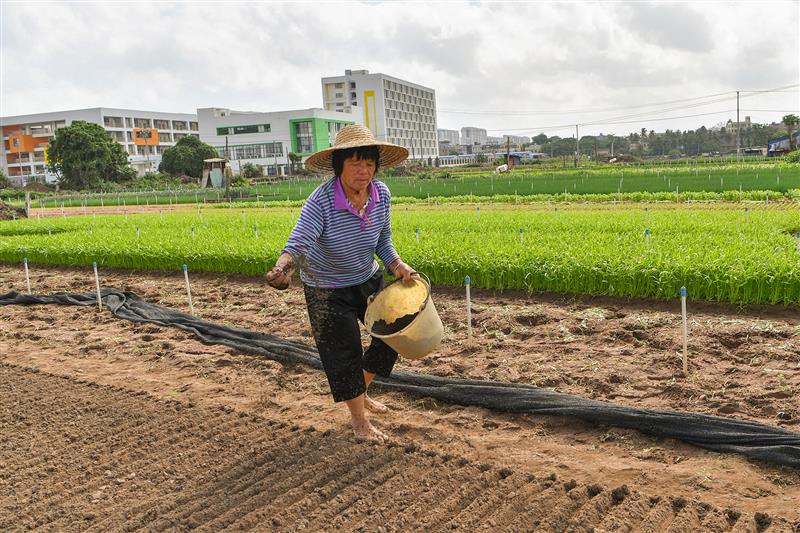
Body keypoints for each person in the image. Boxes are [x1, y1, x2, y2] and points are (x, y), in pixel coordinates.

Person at [266, 124, 417, 441]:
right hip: (326, 290)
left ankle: (359, 391)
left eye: (369, 163)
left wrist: (398, 265)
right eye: (355, 163)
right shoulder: (320, 202)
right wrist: (283, 268)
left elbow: (383, 242)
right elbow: (298, 243)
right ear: (339, 166)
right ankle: (359, 421)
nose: (364, 171)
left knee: (391, 337)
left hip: (367, 277)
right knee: (344, 354)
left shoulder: (382, 194)